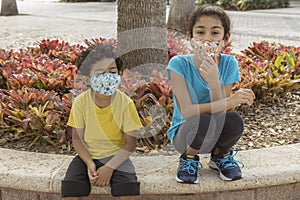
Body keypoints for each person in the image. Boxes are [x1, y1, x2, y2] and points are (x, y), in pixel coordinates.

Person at [166, 4, 255, 184]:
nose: (207, 38)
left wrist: (215, 83)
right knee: (202, 120)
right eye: (200, 32)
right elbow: (188, 112)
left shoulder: (229, 64)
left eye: (215, 33)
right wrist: (230, 100)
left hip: (215, 129)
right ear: (190, 37)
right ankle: (188, 160)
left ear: (225, 38)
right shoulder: (178, 64)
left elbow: (221, 113)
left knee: (234, 120)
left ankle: (220, 156)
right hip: (185, 134)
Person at [61, 43, 143, 200]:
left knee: (128, 189)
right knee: (70, 187)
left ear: (119, 74)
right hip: (87, 156)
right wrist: (89, 163)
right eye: (100, 73)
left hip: (117, 157)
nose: (107, 77)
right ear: (86, 78)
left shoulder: (126, 104)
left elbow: (130, 144)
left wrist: (110, 168)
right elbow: (77, 139)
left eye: (112, 72)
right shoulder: (81, 103)